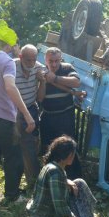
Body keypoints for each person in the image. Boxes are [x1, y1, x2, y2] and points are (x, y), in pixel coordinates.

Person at [0, 41, 36, 203]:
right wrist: (27, 114)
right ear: (9, 44)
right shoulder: (7, 61)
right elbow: (10, 87)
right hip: (3, 115)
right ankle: (12, 195)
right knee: (14, 156)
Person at [27, 135, 107, 217]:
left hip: (54, 213)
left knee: (79, 183)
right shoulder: (55, 172)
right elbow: (61, 207)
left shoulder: (55, 167)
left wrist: (66, 180)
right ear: (68, 154)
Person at [41, 47, 82, 180]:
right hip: (48, 116)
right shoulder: (40, 71)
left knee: (68, 148)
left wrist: (55, 78)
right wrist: (43, 80)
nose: (53, 64)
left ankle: (73, 179)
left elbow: (76, 82)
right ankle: (50, 178)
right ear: (45, 60)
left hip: (65, 116)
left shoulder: (66, 68)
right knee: (49, 149)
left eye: (56, 61)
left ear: (61, 59)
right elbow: (39, 98)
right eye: (50, 61)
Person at [15, 44, 46, 189]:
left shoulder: (39, 68)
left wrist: (42, 81)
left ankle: (31, 180)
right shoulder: (11, 67)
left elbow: (40, 98)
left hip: (31, 108)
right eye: (28, 60)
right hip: (14, 110)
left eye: (34, 60)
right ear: (20, 57)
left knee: (31, 144)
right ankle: (26, 179)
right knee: (19, 143)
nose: (31, 63)